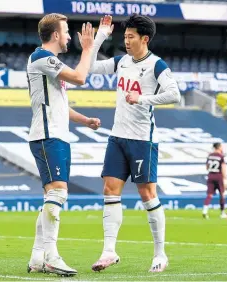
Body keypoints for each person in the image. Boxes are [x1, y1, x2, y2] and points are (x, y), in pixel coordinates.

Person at [89, 14, 181, 273]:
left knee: (147, 194)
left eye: (131, 37)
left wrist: (142, 99)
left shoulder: (157, 65)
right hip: (117, 136)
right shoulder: (122, 62)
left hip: (143, 140)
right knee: (109, 189)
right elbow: (91, 68)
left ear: (145, 39)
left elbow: (174, 93)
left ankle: (160, 254)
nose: (126, 41)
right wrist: (99, 38)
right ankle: (108, 251)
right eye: (125, 36)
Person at [26, 13, 101, 276]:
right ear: (55, 35)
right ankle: (52, 256)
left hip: (56, 134)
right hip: (48, 136)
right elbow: (80, 77)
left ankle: (37, 257)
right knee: (57, 193)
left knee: (53, 196)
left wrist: (85, 120)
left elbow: (60, 105)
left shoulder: (50, 63)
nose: (70, 36)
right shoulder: (42, 58)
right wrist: (88, 50)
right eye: (67, 31)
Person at [202, 143, 227, 219]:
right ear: (219, 147)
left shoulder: (210, 156)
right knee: (222, 194)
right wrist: (225, 179)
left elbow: (207, 167)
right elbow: (223, 168)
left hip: (210, 176)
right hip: (218, 176)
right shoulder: (221, 156)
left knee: (209, 194)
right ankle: (222, 213)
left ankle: (205, 210)